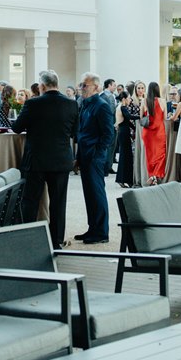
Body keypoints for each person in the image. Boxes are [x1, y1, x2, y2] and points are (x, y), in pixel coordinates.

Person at [11, 70, 79, 248]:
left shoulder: (33, 104)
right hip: (61, 159)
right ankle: (56, 241)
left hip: (37, 160)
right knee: (58, 202)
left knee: (30, 201)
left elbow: (17, 128)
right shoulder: (72, 104)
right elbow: (74, 132)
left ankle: (29, 239)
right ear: (57, 84)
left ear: (41, 86)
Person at [73, 72, 114, 244]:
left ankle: (101, 232)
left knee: (97, 193)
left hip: (95, 157)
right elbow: (82, 132)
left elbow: (108, 134)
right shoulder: (86, 104)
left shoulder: (101, 105)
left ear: (96, 87)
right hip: (85, 155)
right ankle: (93, 228)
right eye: (81, 85)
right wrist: (78, 157)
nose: (81, 88)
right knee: (89, 194)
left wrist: (97, 154)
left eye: (85, 85)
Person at [139, 81, 167, 185]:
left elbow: (141, 117)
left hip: (147, 133)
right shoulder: (162, 101)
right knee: (160, 155)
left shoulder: (144, 101)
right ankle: (156, 175)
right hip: (159, 131)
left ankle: (152, 175)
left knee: (149, 155)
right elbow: (164, 118)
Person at [115, 90, 139, 188]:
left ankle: (123, 179)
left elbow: (127, 121)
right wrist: (141, 116)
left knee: (125, 156)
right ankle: (125, 179)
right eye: (129, 98)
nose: (130, 100)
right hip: (124, 133)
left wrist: (135, 129)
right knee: (126, 156)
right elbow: (129, 117)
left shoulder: (120, 107)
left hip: (123, 131)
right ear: (124, 99)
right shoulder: (123, 107)